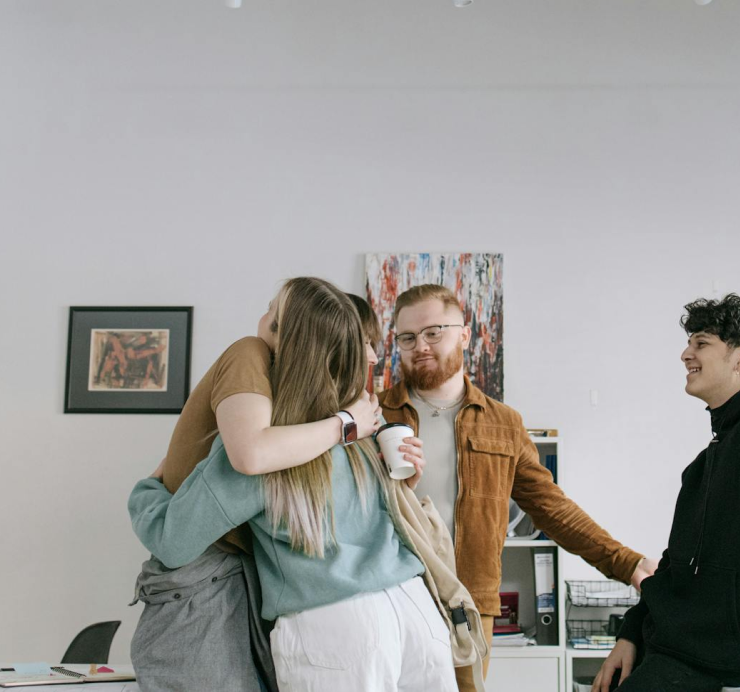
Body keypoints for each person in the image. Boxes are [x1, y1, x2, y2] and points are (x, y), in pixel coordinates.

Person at [129, 277, 457, 692]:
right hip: (416, 613)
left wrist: (148, 488)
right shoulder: (362, 429)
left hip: (338, 629)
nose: (261, 319)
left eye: (272, 311)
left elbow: (173, 541)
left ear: (286, 339)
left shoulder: (266, 448)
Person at [377, 284, 658, 692]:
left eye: (433, 332)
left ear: (464, 335)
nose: (420, 346)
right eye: (407, 337)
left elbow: (551, 508)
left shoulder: (503, 423)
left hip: (468, 606)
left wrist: (626, 562)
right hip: (387, 596)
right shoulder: (374, 414)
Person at [592, 294, 740, 692]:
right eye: (689, 343)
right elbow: (675, 567)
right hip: (675, 653)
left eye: (702, 343)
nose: (685, 354)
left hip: (710, 664)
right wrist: (630, 633)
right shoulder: (703, 466)